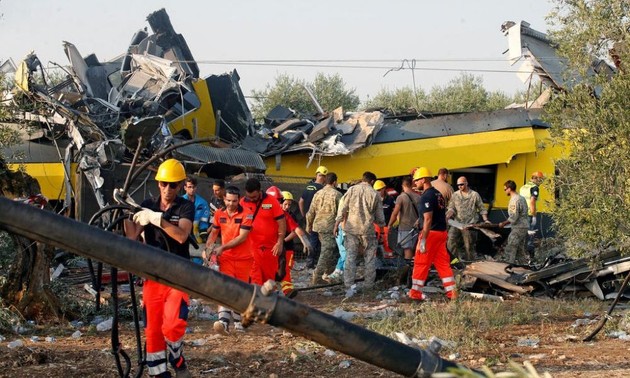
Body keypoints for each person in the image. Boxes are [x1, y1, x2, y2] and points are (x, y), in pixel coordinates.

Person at [124, 158, 194, 378]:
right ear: (158, 184)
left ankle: (177, 357)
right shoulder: (148, 204)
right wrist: (129, 209)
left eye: (173, 185)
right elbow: (132, 237)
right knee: (153, 330)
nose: (167, 189)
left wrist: (157, 219)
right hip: (152, 276)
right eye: (163, 184)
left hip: (178, 276)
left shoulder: (185, 206)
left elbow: (182, 236)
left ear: (181, 185)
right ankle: (159, 373)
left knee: (173, 325)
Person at [204, 186, 253, 335]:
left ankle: (238, 321)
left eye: (235, 201)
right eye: (229, 200)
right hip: (226, 259)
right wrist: (207, 250)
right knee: (225, 289)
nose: (232, 204)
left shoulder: (247, 214)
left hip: (245, 259)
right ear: (224, 199)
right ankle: (224, 322)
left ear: (239, 200)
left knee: (239, 291)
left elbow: (242, 237)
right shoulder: (219, 213)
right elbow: (214, 233)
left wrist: (222, 248)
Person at [408, 167, 457, 301]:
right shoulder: (437, 194)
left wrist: (423, 239)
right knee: (443, 264)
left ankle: (415, 293)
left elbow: (428, 218)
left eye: (417, 180)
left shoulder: (427, 196)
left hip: (431, 234)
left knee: (421, 262)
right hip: (441, 233)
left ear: (423, 180)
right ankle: (452, 293)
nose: (415, 182)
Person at [334, 171, 385, 291]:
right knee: (370, 258)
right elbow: (380, 217)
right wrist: (382, 231)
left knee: (350, 257)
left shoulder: (351, 190)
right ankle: (368, 286)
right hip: (368, 231)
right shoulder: (375, 194)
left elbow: (343, 208)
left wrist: (337, 223)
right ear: (372, 181)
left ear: (363, 179)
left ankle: (348, 285)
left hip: (351, 230)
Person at [240, 178, 286, 286]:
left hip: (270, 249)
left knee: (268, 281)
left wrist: (280, 242)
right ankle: (255, 300)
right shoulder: (242, 202)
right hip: (251, 249)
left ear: (260, 191)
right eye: (249, 197)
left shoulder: (271, 201)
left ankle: (266, 301)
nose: (251, 199)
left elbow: (282, 223)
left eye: (254, 197)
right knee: (254, 280)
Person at [306, 172, 342, 285]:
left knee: (328, 250)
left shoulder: (318, 193)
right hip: (329, 226)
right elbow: (342, 212)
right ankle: (317, 276)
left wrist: (308, 225)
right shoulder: (337, 195)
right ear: (335, 182)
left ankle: (328, 273)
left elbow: (310, 211)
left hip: (318, 226)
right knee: (327, 251)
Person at [274, 189, 312, 297]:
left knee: (286, 268)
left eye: (289, 204)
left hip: (287, 246)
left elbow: (296, 230)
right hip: (273, 246)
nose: (287, 206)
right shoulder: (274, 213)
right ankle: (277, 289)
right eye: (285, 204)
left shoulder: (289, 215)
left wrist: (282, 241)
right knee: (275, 268)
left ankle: (287, 291)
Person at [446, 176, 489, 261]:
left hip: (470, 224)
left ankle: (470, 263)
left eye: (461, 184)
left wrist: (486, 220)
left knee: (469, 246)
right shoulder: (455, 195)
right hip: (457, 223)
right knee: (450, 242)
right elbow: (451, 208)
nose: (459, 186)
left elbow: (482, 208)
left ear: (466, 183)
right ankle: (454, 262)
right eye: (458, 185)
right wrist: (448, 215)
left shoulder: (474, 195)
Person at [299, 165, 328, 269]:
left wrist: (304, 214)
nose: (322, 178)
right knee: (316, 240)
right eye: (322, 176)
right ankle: (312, 261)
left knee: (312, 238)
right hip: (318, 219)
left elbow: (301, 202)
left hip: (308, 218)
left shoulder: (308, 187)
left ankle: (311, 260)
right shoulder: (322, 189)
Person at [387, 175, 421, 264]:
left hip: (405, 228)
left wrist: (390, 225)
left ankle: (408, 270)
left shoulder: (401, 197)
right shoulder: (419, 197)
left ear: (403, 185)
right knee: (416, 250)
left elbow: (395, 213)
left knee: (407, 250)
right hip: (418, 228)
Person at [499, 180, 529, 264]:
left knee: (511, 246)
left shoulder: (514, 200)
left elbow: (513, 217)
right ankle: (524, 266)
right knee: (519, 248)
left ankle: (508, 266)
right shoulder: (521, 198)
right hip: (524, 226)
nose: (505, 191)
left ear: (509, 189)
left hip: (518, 227)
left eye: (505, 189)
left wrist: (503, 223)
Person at [182, 176, 210, 265]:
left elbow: (204, 221)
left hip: (197, 236)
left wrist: (203, 234)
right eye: (189, 187)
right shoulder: (180, 202)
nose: (192, 189)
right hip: (182, 233)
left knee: (197, 260)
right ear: (185, 188)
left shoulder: (203, 203)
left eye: (194, 187)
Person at [519, 171, 544, 260]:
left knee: (522, 235)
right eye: (540, 180)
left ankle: (521, 255)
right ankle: (531, 257)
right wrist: (533, 215)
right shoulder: (534, 188)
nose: (541, 182)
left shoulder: (523, 187)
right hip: (529, 215)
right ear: (536, 178)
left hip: (521, 214)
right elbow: (532, 201)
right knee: (531, 236)